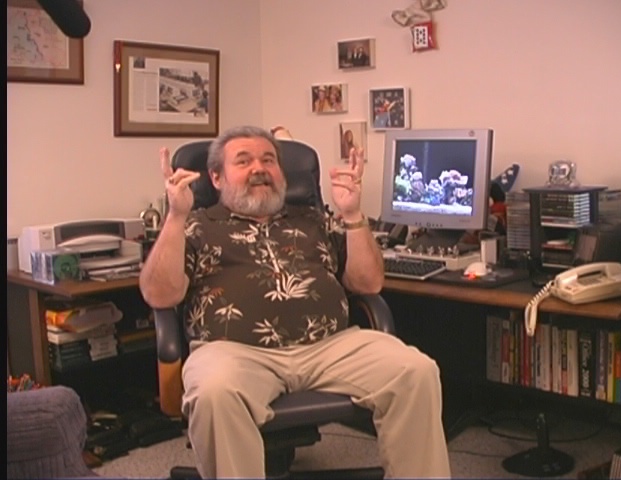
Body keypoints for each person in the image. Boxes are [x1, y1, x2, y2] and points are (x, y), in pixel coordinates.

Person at [139, 126, 451, 479]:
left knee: (416, 371)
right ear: (216, 177)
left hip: (331, 346)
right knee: (214, 393)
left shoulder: (315, 220)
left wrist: (353, 215)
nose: (259, 168)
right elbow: (160, 295)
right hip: (233, 351)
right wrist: (175, 216)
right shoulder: (196, 225)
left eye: (268, 160)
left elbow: (368, 283)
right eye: (243, 161)